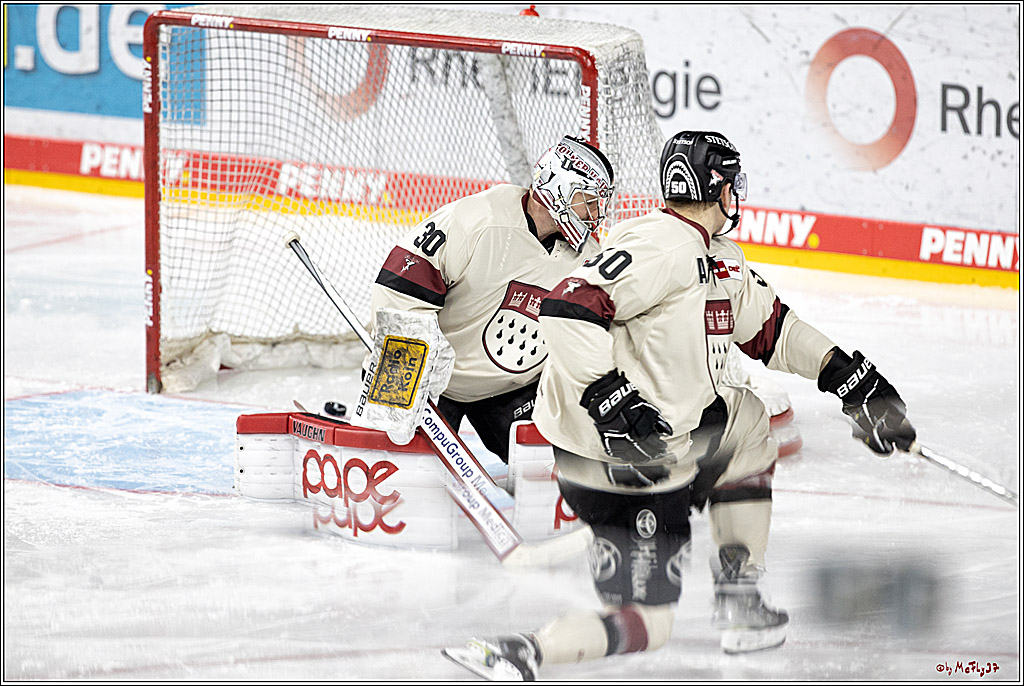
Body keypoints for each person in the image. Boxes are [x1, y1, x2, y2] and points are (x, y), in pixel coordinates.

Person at [442, 131, 917, 679]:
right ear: (717, 187)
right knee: (649, 623)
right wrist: (611, 403)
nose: (738, 192)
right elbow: (568, 308)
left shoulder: (717, 257)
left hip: (662, 440)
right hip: (621, 457)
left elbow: (773, 329)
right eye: (732, 182)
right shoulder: (659, 245)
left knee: (745, 422)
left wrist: (853, 381)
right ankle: (521, 653)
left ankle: (739, 593)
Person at [368, 136, 613, 463]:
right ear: (558, 188)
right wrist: (403, 375)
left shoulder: (587, 259)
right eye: (589, 200)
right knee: (402, 477)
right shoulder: (476, 219)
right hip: (434, 383)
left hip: (514, 390)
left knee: (552, 474)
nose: (597, 213)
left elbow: (589, 336)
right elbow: (399, 288)